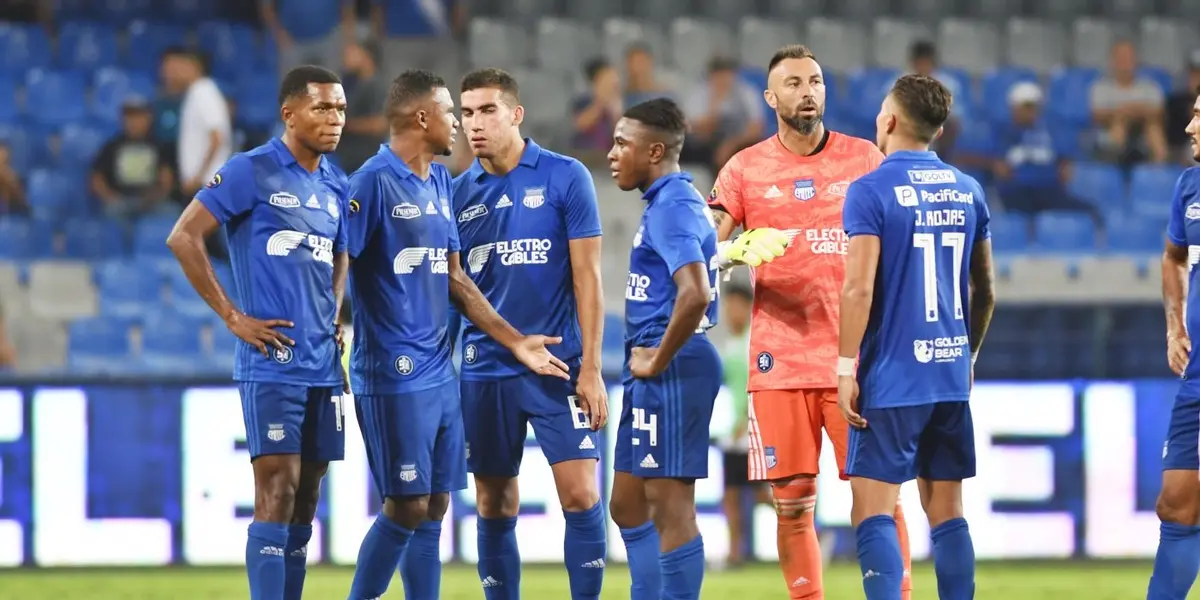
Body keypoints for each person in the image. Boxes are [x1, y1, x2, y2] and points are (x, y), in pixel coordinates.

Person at [344, 69, 570, 600]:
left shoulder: (441, 183)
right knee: (405, 504)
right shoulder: (371, 182)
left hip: (439, 369)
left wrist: (514, 340)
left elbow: (456, 278)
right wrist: (330, 327)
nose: (460, 124)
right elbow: (338, 258)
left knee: (436, 504)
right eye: (452, 112)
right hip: (391, 370)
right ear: (422, 117)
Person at [707, 44, 913, 600]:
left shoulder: (865, 158)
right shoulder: (745, 169)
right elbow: (699, 247)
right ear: (771, 98)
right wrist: (726, 254)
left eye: (815, 81)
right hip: (778, 362)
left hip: (858, 362)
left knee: (879, 499)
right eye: (794, 84)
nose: (807, 92)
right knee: (792, 501)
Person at [165, 65, 352, 600]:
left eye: (340, 108)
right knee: (277, 487)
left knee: (307, 497)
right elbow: (183, 237)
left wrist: (333, 315)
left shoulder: (337, 183)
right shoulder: (251, 170)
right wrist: (232, 316)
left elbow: (340, 254)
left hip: (324, 365)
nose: (335, 119)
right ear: (289, 114)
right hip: (272, 361)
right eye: (322, 108)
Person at [451, 68, 608, 600]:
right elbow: (453, 291)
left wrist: (592, 369)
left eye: (487, 110)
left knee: (581, 494)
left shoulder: (566, 176)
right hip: (485, 369)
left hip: (558, 365)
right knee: (494, 501)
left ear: (516, 114)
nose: (475, 123)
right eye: (466, 113)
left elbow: (588, 278)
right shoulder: (456, 194)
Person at [838, 74, 994, 600]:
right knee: (947, 511)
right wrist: (969, 353)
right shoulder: (969, 190)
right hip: (949, 372)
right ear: (939, 129)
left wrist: (845, 368)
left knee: (872, 510)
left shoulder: (870, 190)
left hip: (892, 376)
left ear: (888, 121)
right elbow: (985, 289)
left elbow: (858, 288)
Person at [607, 97, 722, 600]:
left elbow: (695, 293)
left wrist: (658, 358)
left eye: (622, 144)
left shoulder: (672, 207)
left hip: (671, 363)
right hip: (654, 364)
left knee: (671, 508)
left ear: (654, 152)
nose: (612, 154)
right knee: (627, 503)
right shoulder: (669, 201)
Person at [1148, 88, 1200, 600]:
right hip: (1196, 376)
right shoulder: (1189, 187)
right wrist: (1175, 326)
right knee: (1176, 505)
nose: (1189, 127)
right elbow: (1173, 256)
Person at [716, 282, 769, 567]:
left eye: (736, 305)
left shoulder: (754, 343)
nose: (730, 311)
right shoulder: (730, 344)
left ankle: (810, 531)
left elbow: (760, 385)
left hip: (751, 429)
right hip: (733, 431)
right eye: (728, 305)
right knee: (731, 495)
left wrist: (746, 418)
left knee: (759, 493)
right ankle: (734, 553)